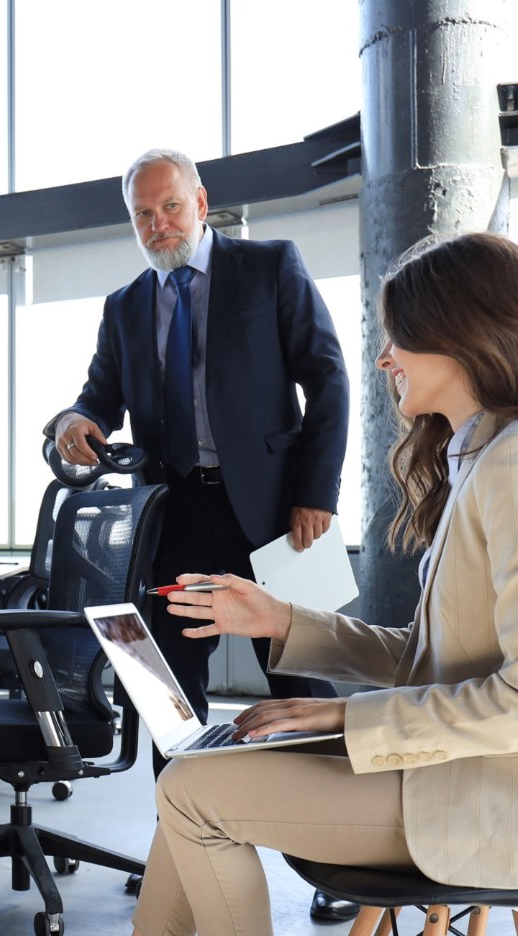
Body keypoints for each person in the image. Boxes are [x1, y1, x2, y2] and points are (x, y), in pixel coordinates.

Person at [131, 230, 518, 936]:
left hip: (478, 800)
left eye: (399, 335)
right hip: (440, 769)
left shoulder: (511, 470)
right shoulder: (478, 459)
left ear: (459, 336)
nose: (383, 357)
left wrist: (346, 716)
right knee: (183, 780)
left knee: (190, 794)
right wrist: (281, 620)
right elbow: (431, 655)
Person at [46, 147, 354, 918]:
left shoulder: (269, 267)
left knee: (299, 683)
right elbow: (97, 398)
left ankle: (333, 863)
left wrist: (316, 491)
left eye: (169, 207)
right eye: (143, 215)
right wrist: (72, 422)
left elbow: (328, 376)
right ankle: (178, 849)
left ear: (201, 201)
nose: (158, 225)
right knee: (163, 693)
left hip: (276, 517)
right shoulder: (124, 306)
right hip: (173, 515)